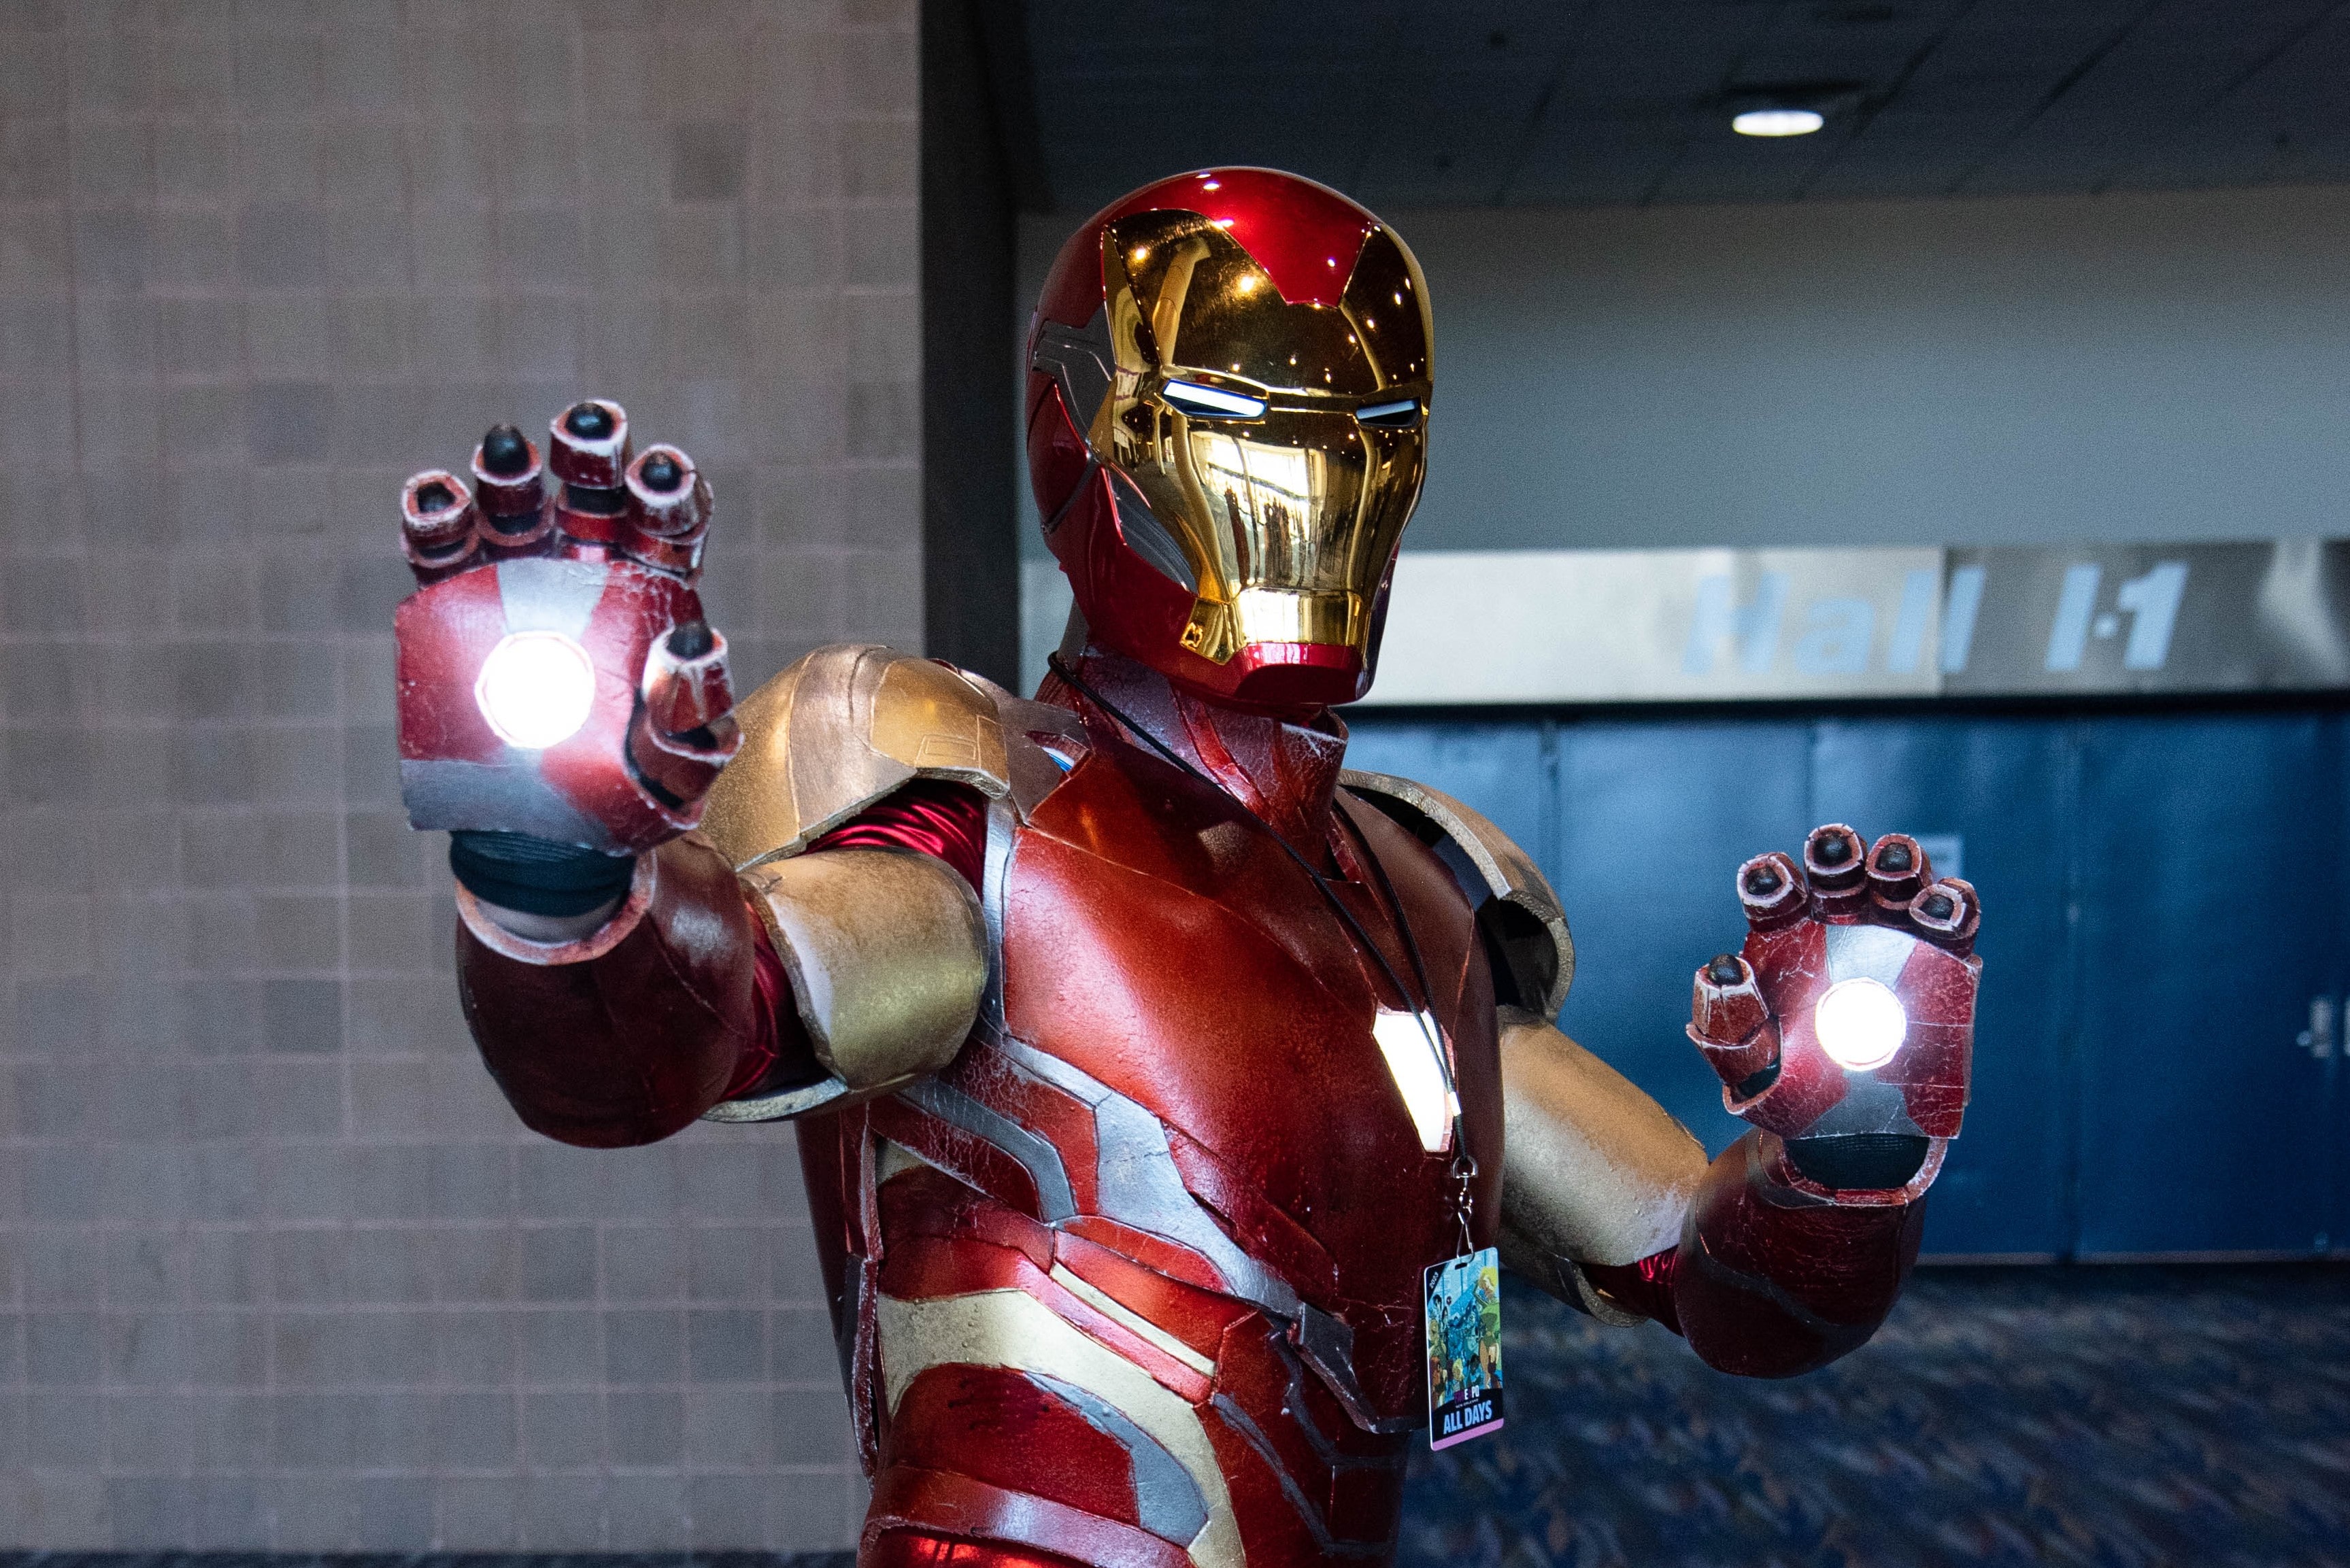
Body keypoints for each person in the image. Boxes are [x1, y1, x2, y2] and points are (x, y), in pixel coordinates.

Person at [393, 167, 1982, 1568]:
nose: (1311, 491)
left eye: (1359, 439)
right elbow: (696, 1025)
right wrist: (556, 868)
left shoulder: (1416, 888)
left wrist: (1839, 1161)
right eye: (1246, 430)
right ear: (1099, 441)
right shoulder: (976, 815)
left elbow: (1713, 1281)